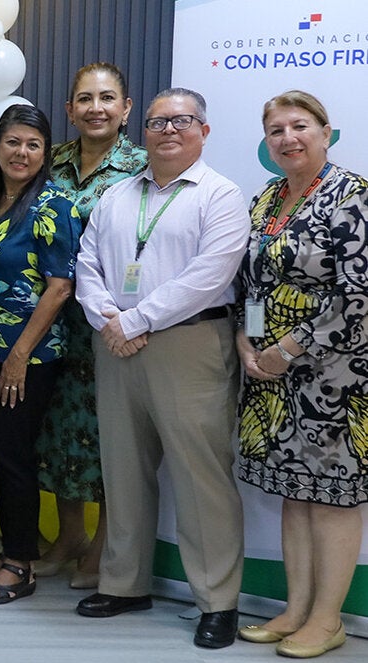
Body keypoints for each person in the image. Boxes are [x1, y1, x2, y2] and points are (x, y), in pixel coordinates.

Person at [73, 88, 248, 649]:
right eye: (157, 122)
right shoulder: (118, 194)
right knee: (123, 470)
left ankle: (217, 601)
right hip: (115, 343)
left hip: (188, 345)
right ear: (141, 130)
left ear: (204, 130)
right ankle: (124, 584)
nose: (168, 130)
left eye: (182, 121)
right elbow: (86, 262)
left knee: (201, 478)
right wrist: (108, 317)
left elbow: (210, 275)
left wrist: (137, 319)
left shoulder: (221, 196)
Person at [234, 91, 367, 658]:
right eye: (276, 130)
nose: (287, 138)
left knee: (333, 497)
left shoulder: (352, 195)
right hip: (272, 375)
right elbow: (251, 283)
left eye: (299, 126)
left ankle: (328, 620)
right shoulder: (268, 199)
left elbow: (358, 296)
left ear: (325, 133)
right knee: (295, 491)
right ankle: (296, 609)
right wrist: (246, 340)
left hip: (334, 376)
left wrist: (288, 349)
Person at [0, 105, 80, 605]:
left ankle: (21, 565)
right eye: (12, 142)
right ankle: (11, 550)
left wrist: (19, 355)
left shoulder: (54, 205)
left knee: (13, 456)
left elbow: (60, 287)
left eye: (33, 144)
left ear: (45, 152)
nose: (21, 153)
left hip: (28, 357)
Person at [38, 62, 147, 590]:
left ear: (126, 109)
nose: (95, 108)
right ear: (69, 109)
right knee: (59, 431)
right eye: (85, 99)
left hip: (112, 323)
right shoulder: (50, 160)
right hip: (53, 321)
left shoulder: (143, 166)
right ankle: (68, 538)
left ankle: (102, 547)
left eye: (107, 98)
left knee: (109, 436)